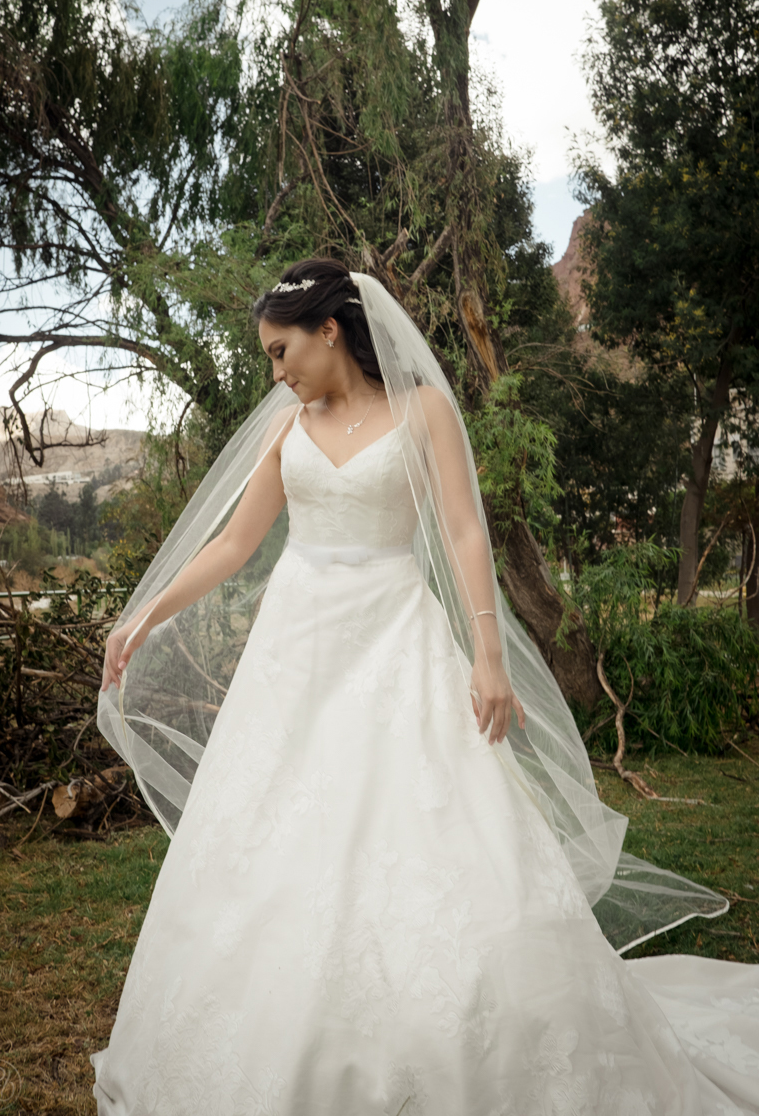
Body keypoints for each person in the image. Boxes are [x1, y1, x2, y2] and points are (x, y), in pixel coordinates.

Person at [91, 260, 759, 1115]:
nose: (276, 373)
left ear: (330, 329)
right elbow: (233, 545)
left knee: (428, 815)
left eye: (281, 351)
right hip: (295, 650)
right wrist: (142, 615)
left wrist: (488, 652)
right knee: (277, 825)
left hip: (393, 636)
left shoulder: (423, 410)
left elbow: (463, 530)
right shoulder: (287, 428)